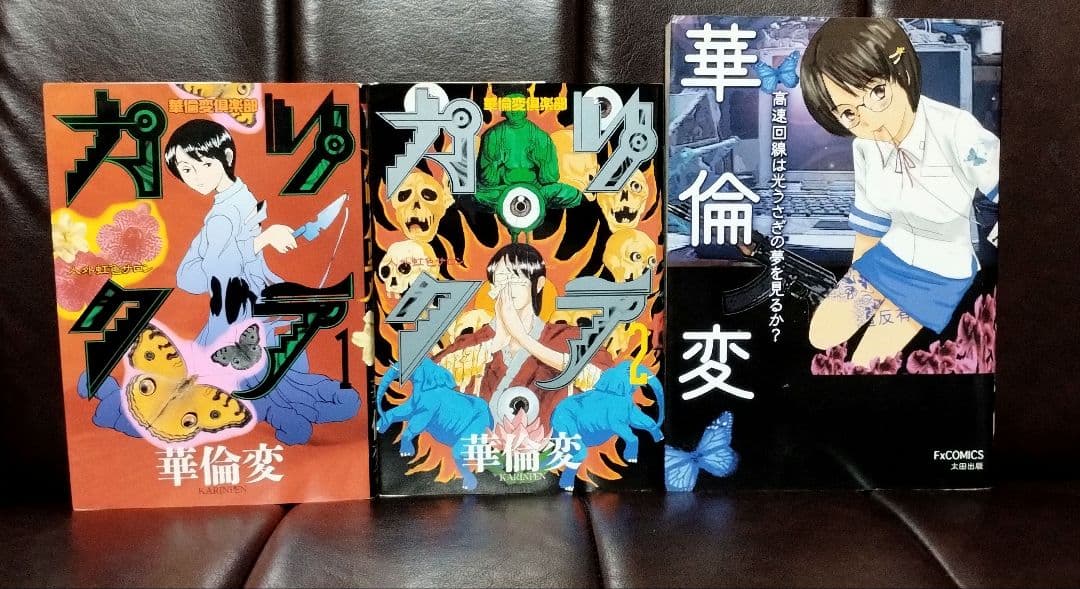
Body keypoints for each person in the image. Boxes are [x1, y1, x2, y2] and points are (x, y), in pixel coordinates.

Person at [799, 18, 999, 367]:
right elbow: (869, 226)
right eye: (847, 112)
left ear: (901, 72)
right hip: (892, 254)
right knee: (822, 333)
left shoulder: (957, 130)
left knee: (866, 362)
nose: (867, 118)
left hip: (942, 269)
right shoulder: (865, 147)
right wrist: (859, 278)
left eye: (876, 92)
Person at [165, 119, 358, 444]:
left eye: (205, 165)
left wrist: (256, 243)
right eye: (186, 169)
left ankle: (297, 412)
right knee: (245, 374)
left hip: (242, 302)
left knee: (249, 373)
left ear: (227, 156)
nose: (195, 176)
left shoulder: (230, 209)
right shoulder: (224, 209)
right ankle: (294, 413)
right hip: (235, 303)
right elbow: (188, 277)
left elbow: (210, 269)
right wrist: (259, 242)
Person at [433, 243, 613, 429]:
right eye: (501, 280)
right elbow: (429, 380)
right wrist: (495, 343)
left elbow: (608, 382)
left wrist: (524, 339)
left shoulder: (567, 337)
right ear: (492, 288)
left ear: (539, 284)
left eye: (517, 279)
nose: (508, 288)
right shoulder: (474, 341)